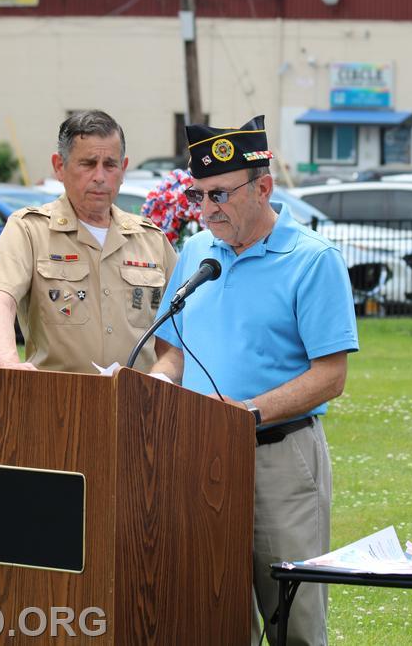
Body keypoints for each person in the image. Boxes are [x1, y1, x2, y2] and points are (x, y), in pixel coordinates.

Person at [149, 115, 359, 646]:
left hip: (278, 458)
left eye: (219, 194)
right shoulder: (197, 253)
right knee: (211, 614)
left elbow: (330, 376)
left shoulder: (313, 260)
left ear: (263, 187)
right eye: (200, 196)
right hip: (197, 455)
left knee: (295, 620)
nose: (206, 209)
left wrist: (247, 412)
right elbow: (172, 351)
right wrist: (154, 386)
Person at [0, 109, 177, 373]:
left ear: (123, 170)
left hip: (135, 406)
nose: (100, 176)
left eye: (110, 164)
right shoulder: (30, 230)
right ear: (59, 167)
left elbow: (179, 326)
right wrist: (9, 364)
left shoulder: (151, 239)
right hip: (58, 403)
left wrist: (162, 380)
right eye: (88, 164)